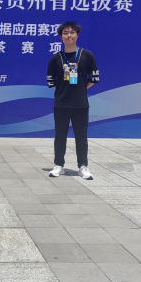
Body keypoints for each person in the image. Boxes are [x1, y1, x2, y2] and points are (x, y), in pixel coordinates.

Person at [46, 21, 99, 180]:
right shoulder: (56, 58)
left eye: (72, 32)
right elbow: (52, 81)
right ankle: (58, 165)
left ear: (77, 35)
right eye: (65, 33)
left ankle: (83, 166)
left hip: (80, 104)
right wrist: (64, 91)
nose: (69, 35)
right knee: (60, 135)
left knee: (81, 136)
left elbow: (93, 79)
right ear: (61, 37)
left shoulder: (87, 55)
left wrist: (80, 89)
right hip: (61, 104)